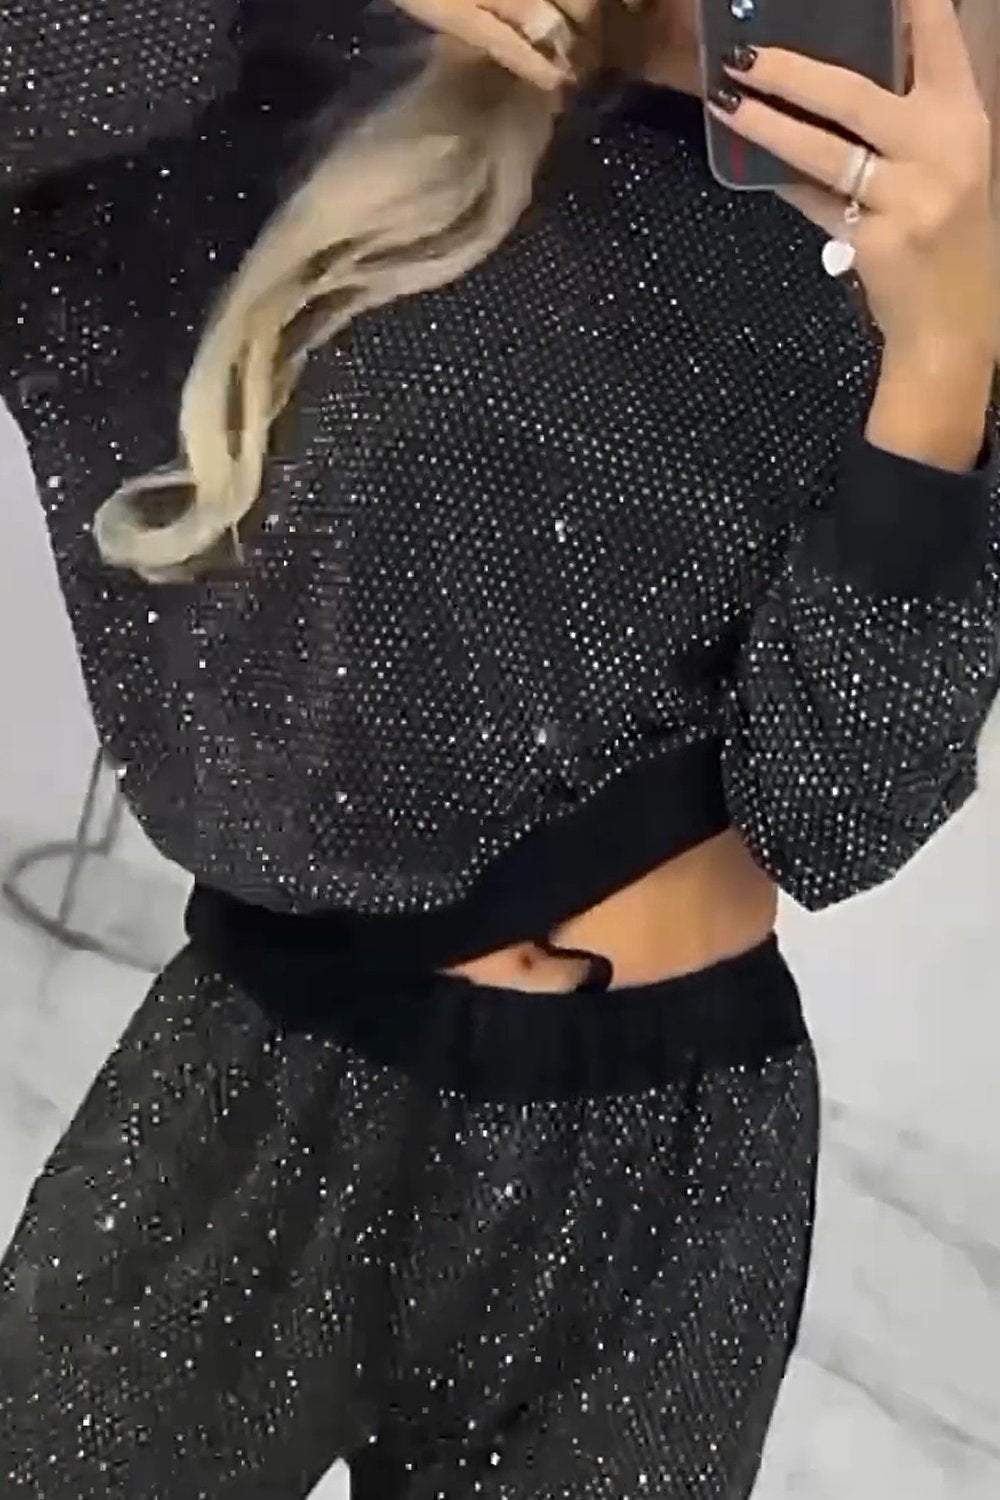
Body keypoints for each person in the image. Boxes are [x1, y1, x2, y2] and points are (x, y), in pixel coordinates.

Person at [2, 0, 999, 1494]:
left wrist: (947, 356)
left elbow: (837, 814)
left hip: (664, 1175)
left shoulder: (939, 233)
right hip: (264, 1075)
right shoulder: (328, 64)